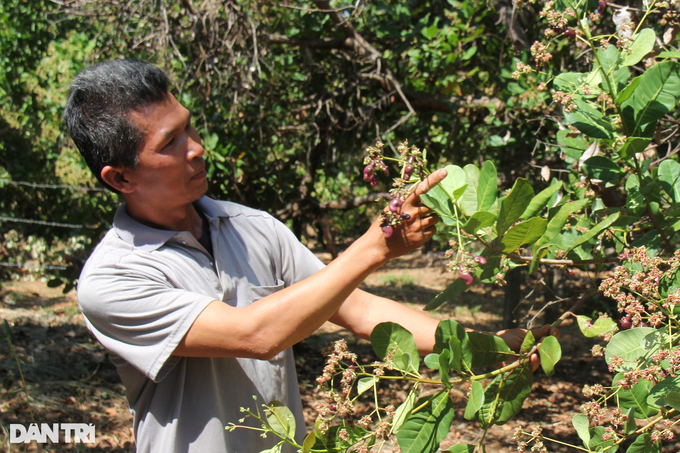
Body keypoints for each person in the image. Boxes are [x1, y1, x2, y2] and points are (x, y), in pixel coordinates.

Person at [64, 59, 551, 453]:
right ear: (120, 178)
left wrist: (486, 348)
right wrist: (373, 247)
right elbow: (254, 335)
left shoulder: (251, 228)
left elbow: (359, 310)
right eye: (170, 144)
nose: (197, 149)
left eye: (189, 129)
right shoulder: (112, 281)